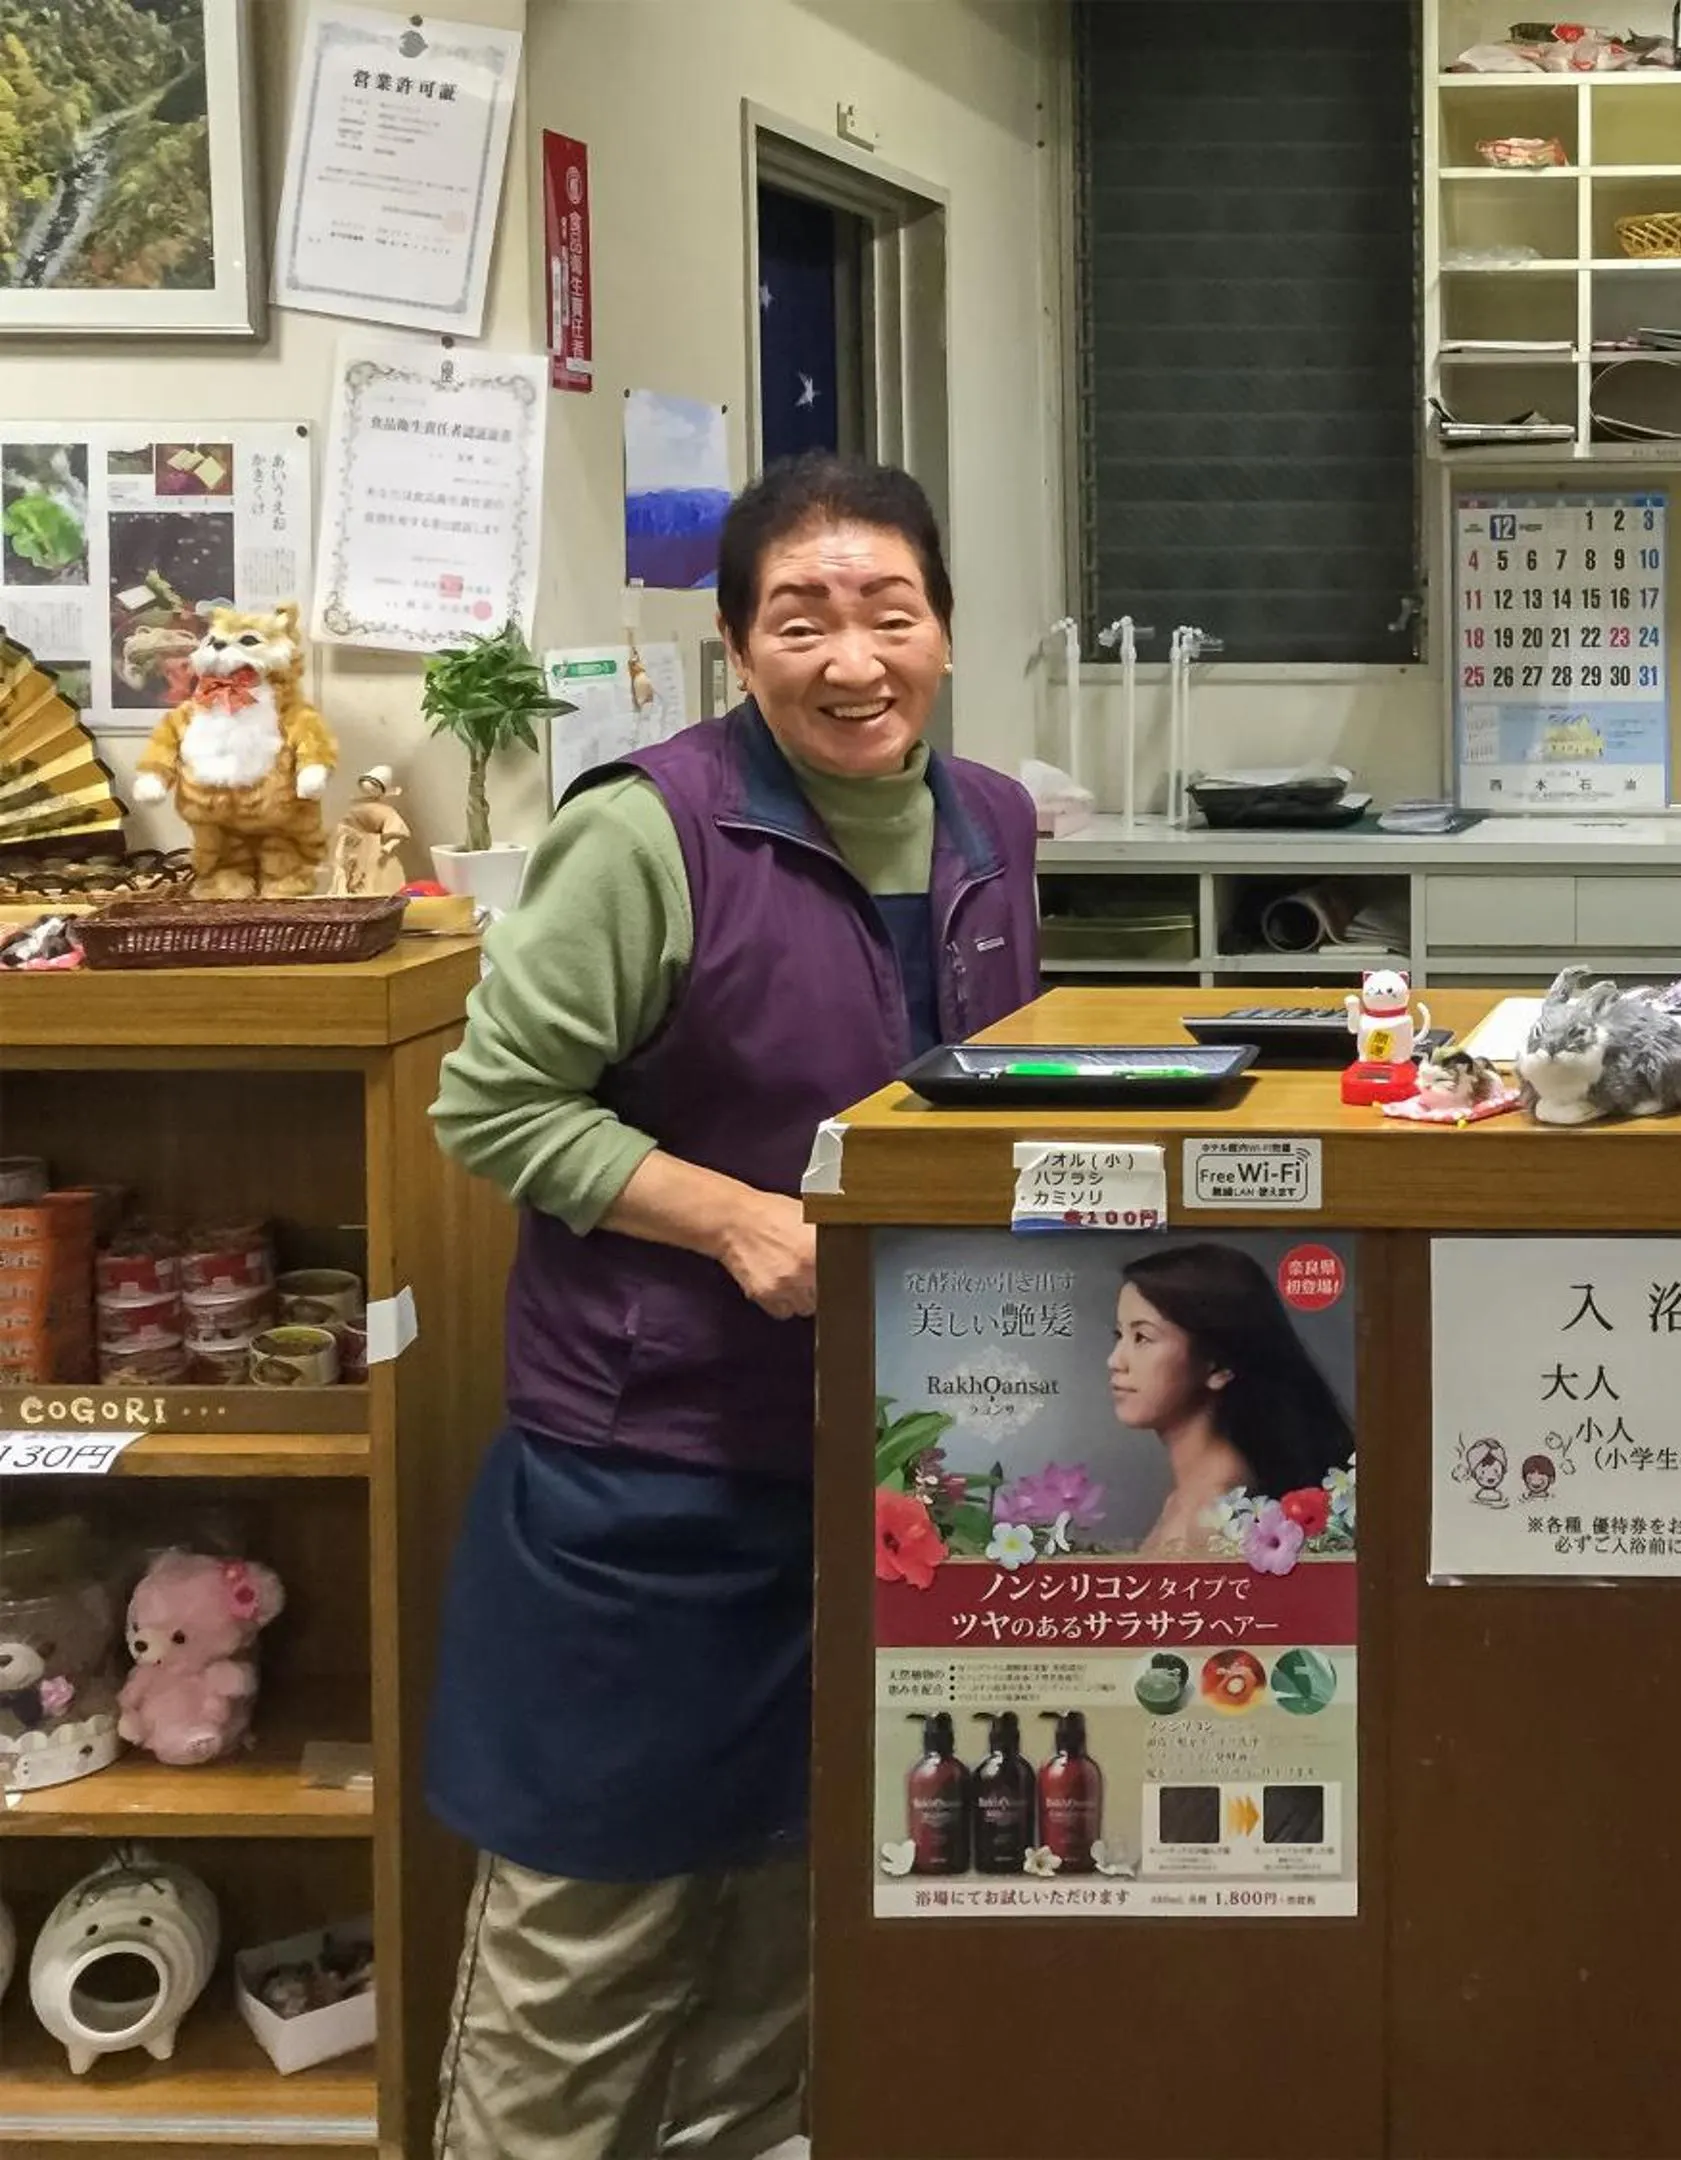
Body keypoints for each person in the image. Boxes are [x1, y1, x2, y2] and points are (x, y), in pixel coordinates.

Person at [421, 453, 1038, 2158]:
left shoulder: (993, 820)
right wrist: (731, 1221)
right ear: (734, 641)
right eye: (803, 619)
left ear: (944, 628)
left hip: (890, 1469)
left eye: (889, 614)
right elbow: (492, 1103)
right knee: (588, 1939)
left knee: (796, 1925)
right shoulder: (650, 828)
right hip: (650, 1476)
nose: (854, 659)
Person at [1109, 1243, 1354, 1555]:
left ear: (1218, 1366)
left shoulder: (1215, 1514)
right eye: (1119, 1336)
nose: (1116, 1361)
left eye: (1142, 1337)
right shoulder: (1187, 1498)